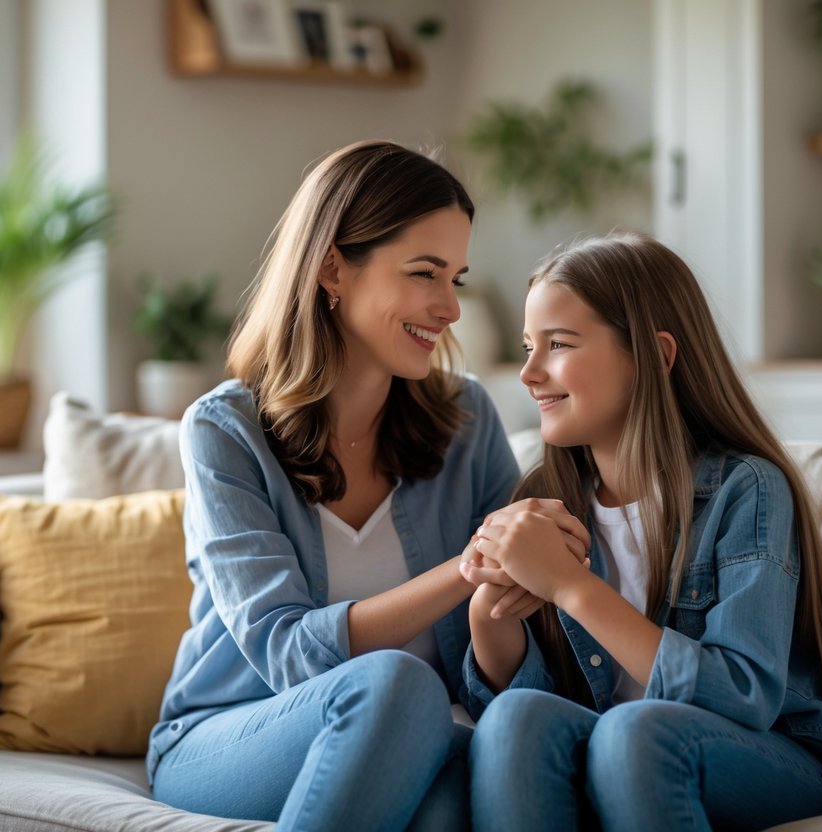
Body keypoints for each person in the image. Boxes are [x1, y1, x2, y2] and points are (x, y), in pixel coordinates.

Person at [147, 140, 584, 830]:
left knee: (448, 808)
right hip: (231, 735)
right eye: (423, 274)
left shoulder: (466, 418)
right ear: (331, 269)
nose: (449, 308)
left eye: (456, 279)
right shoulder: (225, 432)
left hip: (423, 734)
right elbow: (288, 654)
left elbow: (515, 649)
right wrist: (472, 563)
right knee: (397, 682)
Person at [459, 232, 822, 831]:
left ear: (655, 355)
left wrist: (572, 587)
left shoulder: (745, 491)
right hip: (617, 747)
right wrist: (488, 614)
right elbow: (526, 699)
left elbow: (743, 694)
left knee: (634, 732)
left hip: (775, 761)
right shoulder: (542, 502)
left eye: (559, 344)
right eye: (528, 346)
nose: (527, 372)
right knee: (514, 720)